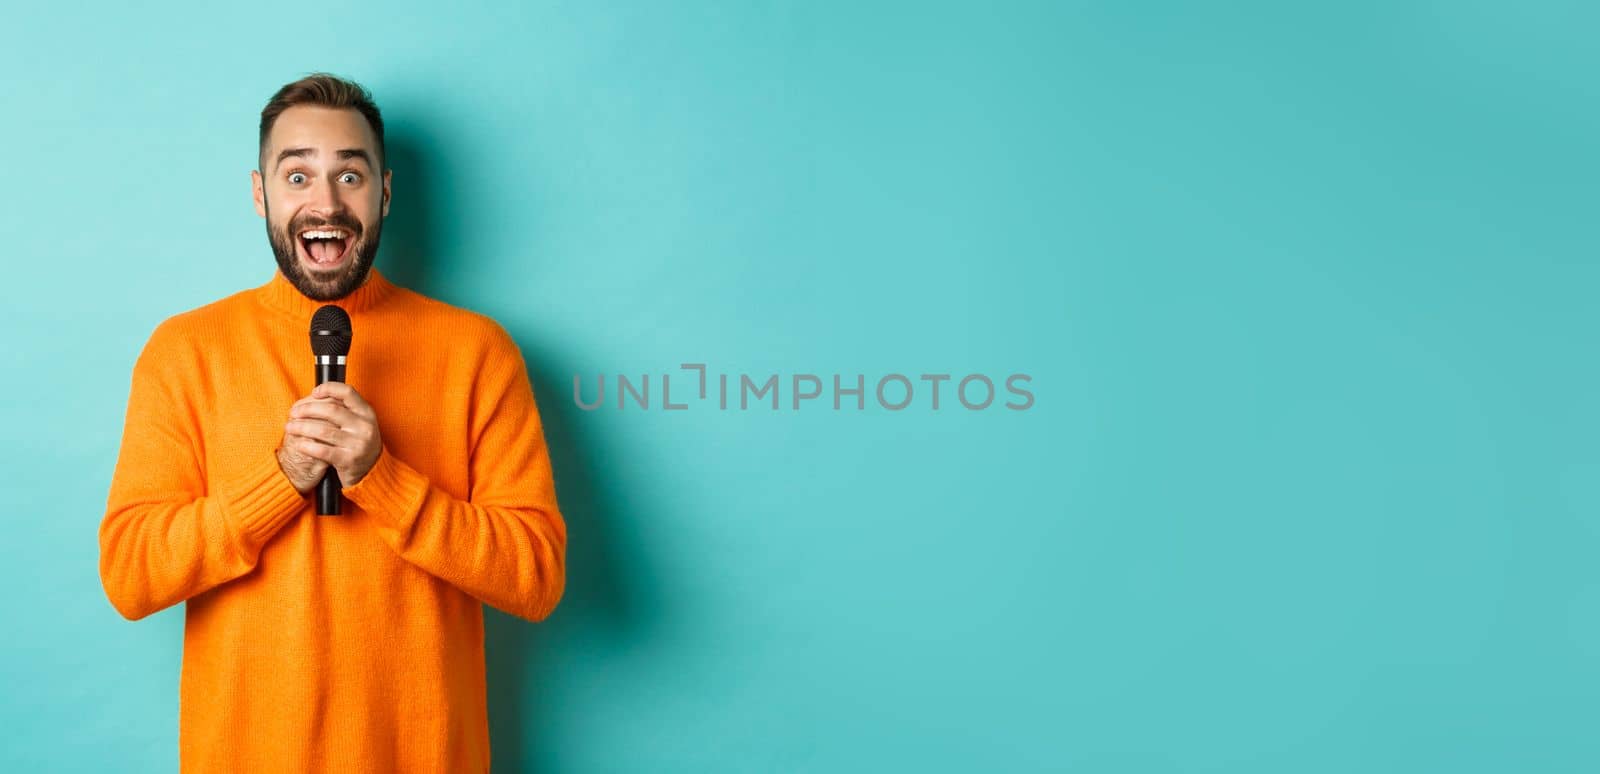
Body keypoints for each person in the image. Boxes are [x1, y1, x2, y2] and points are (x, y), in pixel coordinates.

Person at [97, 72, 567, 773]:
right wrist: (281, 478)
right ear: (261, 194)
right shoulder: (186, 352)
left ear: (384, 194)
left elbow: (535, 577)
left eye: (350, 176)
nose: (325, 201)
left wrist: (383, 480)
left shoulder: (477, 353)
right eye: (297, 176)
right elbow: (131, 576)